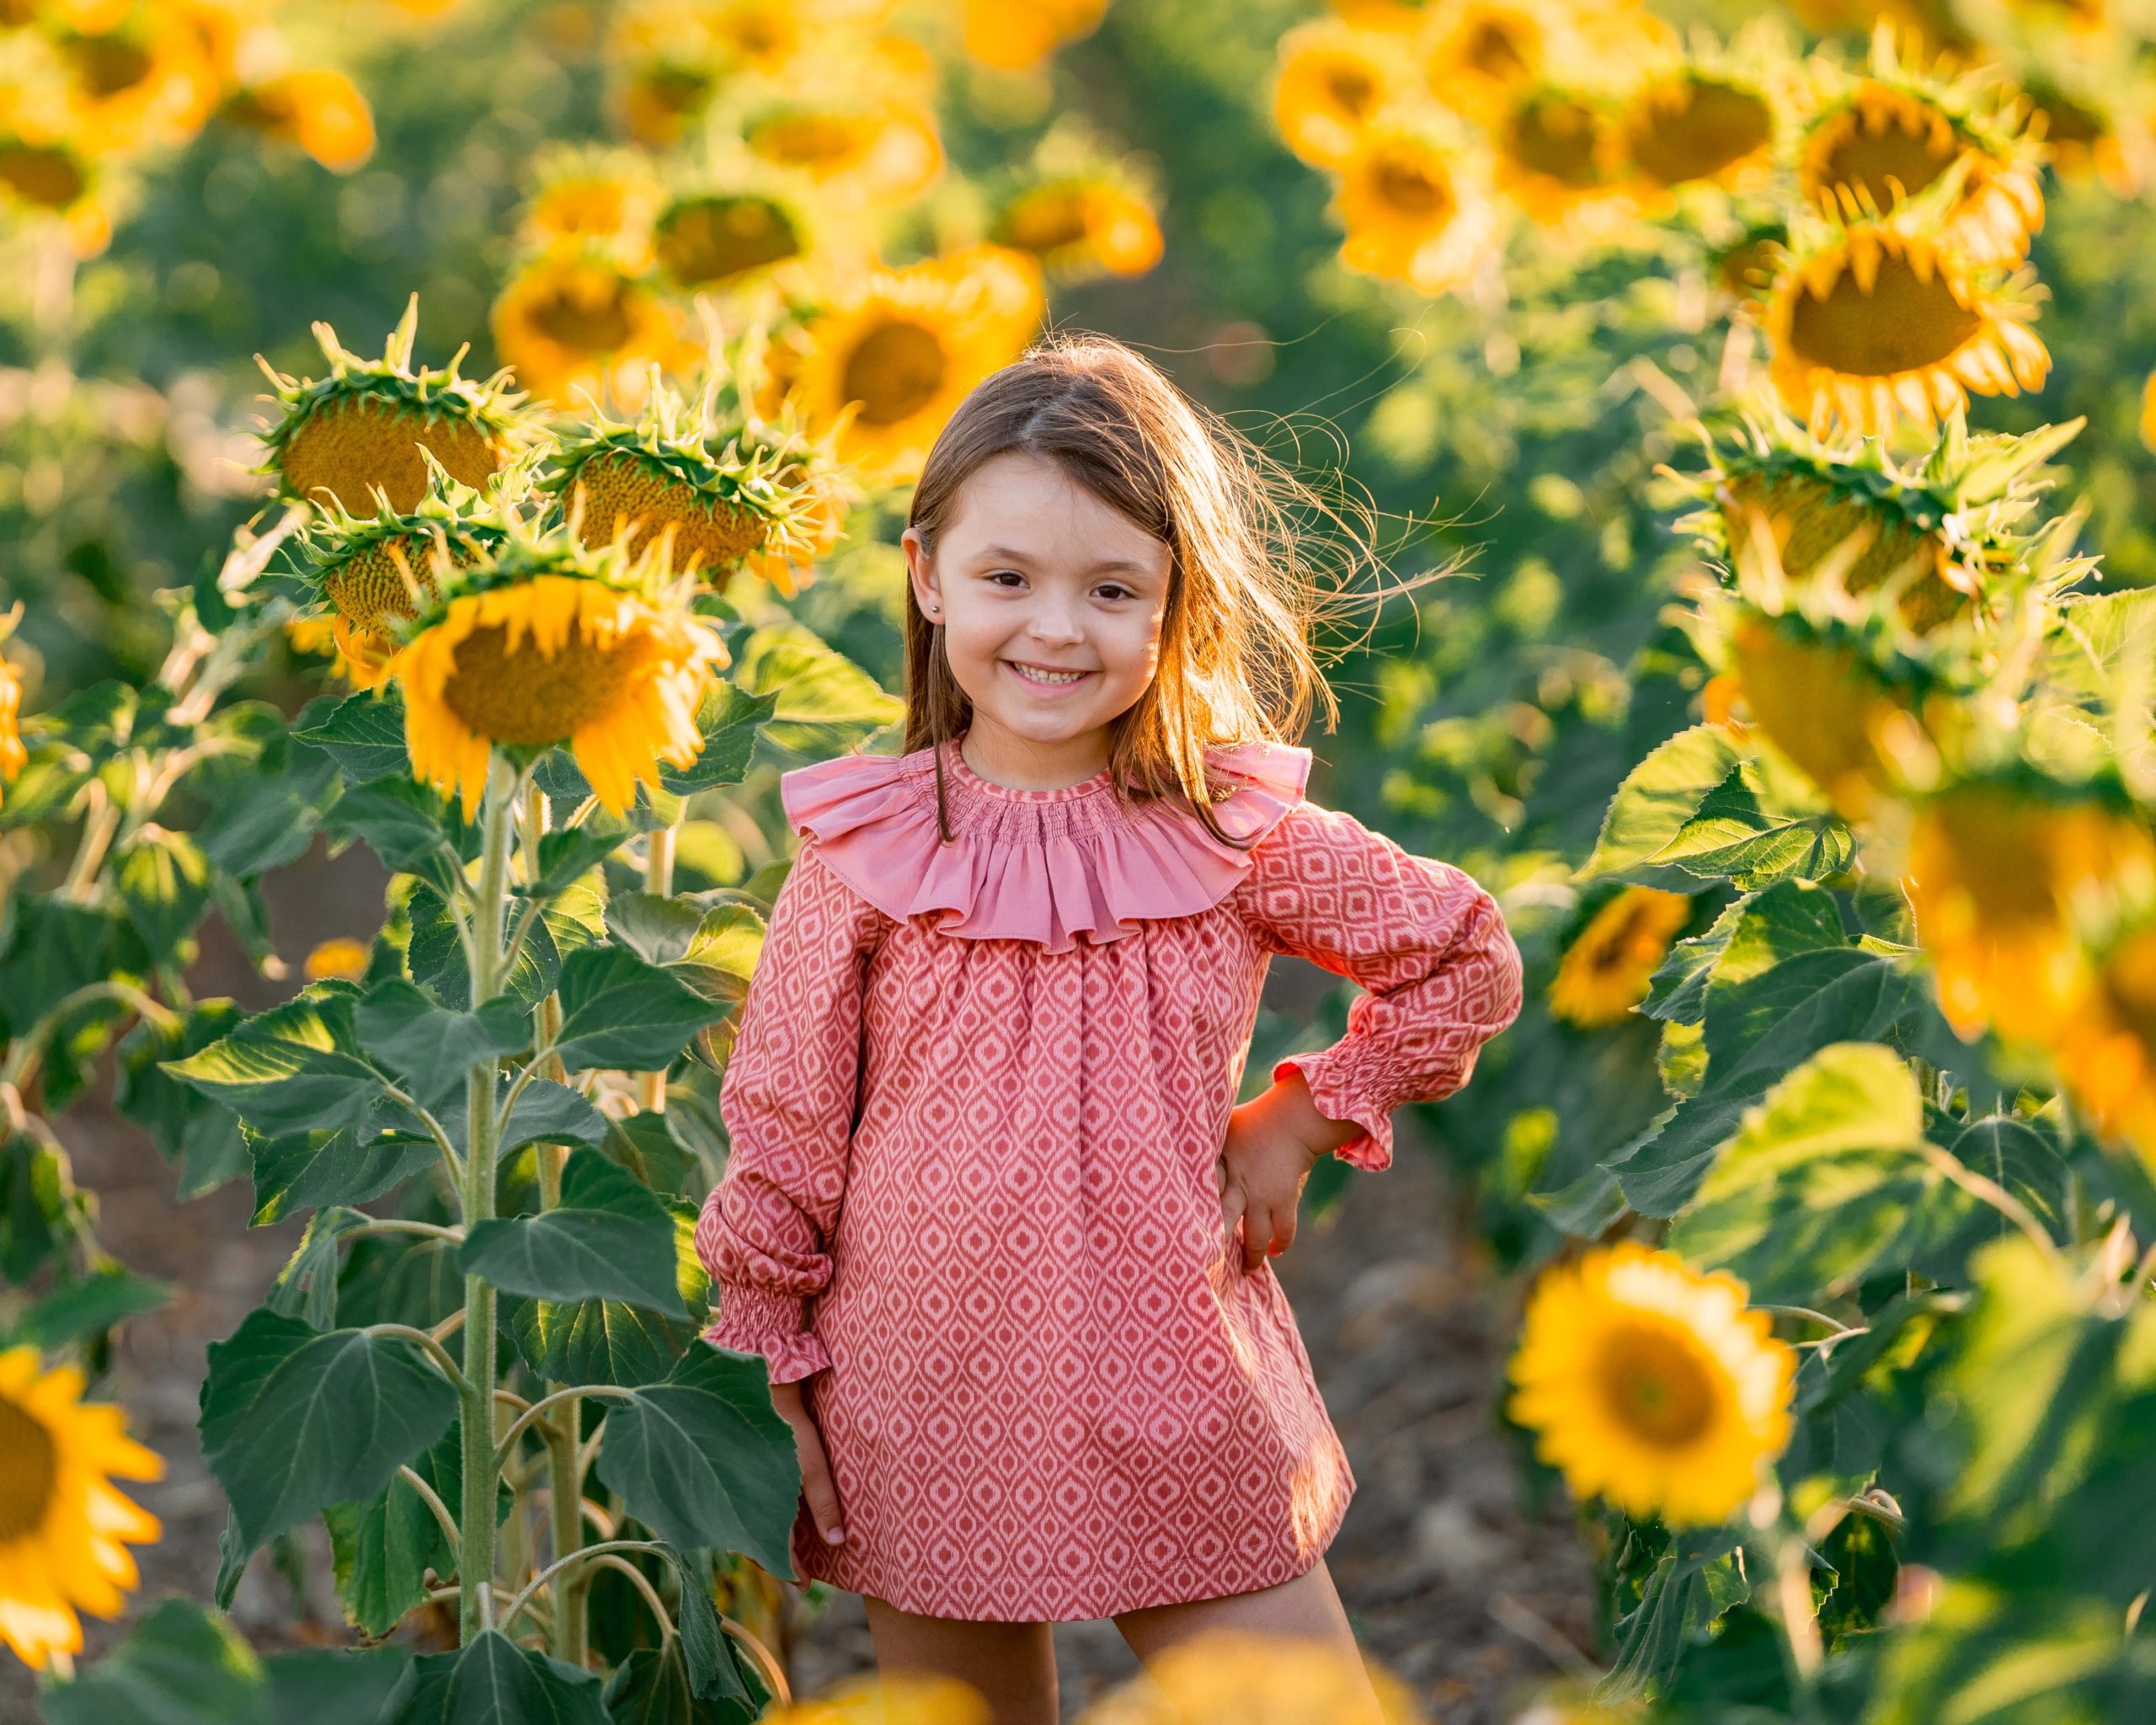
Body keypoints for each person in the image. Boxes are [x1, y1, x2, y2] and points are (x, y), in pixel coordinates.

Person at [693, 333, 1524, 1721]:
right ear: (926, 575)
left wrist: (1297, 1119)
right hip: (921, 1390)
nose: (1056, 629)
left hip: (1172, 1378)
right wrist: (765, 1350)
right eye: (1007, 579)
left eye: (1112, 589)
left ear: (1173, 605)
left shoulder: (1224, 829)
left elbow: (1461, 953)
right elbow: (782, 1132)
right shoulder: (865, 848)